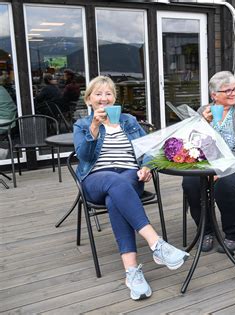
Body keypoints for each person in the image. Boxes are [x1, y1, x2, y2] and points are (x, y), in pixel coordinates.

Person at [73, 76, 189, 301]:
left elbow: (148, 151)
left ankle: (132, 272)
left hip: (129, 175)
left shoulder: (128, 121)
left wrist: (146, 167)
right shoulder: (83, 124)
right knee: (115, 184)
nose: (104, 98)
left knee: (115, 196)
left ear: (115, 99)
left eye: (109, 94)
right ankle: (156, 243)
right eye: (98, 94)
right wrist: (95, 126)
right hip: (96, 178)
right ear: (89, 99)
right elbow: (84, 156)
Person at [182, 71, 235, 254]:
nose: (233, 93)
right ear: (214, 95)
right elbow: (194, 142)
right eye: (227, 90)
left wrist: (222, 169)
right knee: (190, 182)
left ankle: (233, 234)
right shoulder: (204, 111)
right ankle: (206, 230)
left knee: (223, 184)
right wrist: (204, 123)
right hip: (208, 165)